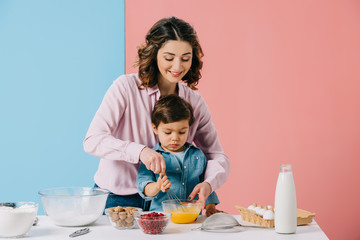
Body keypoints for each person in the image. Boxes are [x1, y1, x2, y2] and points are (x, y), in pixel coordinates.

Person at [83, 16, 230, 211]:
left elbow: (216, 155)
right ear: (154, 54)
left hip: (170, 203)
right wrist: (139, 151)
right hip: (119, 199)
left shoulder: (194, 102)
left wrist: (209, 184)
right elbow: (93, 140)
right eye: (169, 58)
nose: (178, 67)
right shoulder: (125, 88)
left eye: (185, 58)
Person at [137, 94, 222, 216]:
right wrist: (157, 186)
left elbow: (206, 184)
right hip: (163, 219)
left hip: (192, 218)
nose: (175, 138)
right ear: (155, 128)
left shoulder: (197, 155)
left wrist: (210, 207)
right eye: (168, 132)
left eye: (182, 132)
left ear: (189, 128)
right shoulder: (151, 158)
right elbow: (144, 187)